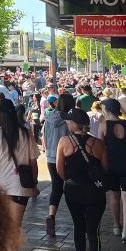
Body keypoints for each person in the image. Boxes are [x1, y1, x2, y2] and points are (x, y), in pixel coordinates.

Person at [57, 108, 109, 251]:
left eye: (68, 121)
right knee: (93, 229)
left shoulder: (64, 142)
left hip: (73, 191)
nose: (67, 124)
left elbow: (59, 170)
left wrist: (68, 180)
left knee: (78, 226)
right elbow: (105, 168)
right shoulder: (98, 143)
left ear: (73, 123)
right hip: (95, 192)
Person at [0, 100, 38, 251]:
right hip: (20, 186)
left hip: (0, 186)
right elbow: (33, 162)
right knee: (15, 225)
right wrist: (34, 183)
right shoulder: (26, 133)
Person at [99, 98, 126, 246]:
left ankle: (117, 226)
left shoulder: (103, 126)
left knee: (114, 195)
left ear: (107, 110)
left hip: (111, 166)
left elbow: (100, 148)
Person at [42, 91, 74, 238]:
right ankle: (77, 217)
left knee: (56, 187)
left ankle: (51, 215)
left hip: (51, 157)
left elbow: (44, 138)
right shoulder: (70, 120)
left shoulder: (48, 118)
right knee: (72, 186)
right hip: (68, 157)